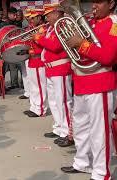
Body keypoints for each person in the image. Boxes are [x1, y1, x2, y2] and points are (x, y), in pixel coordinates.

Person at [61, 0, 117, 179]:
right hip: (82, 82)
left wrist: (81, 44)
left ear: (111, 3)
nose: (94, 6)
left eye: (99, 2)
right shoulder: (90, 22)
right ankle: (82, 162)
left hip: (100, 83)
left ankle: (101, 173)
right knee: (80, 127)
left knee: (100, 131)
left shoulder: (114, 24)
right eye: (93, 2)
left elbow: (108, 57)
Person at [33, 3, 73, 147]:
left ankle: (68, 133)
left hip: (60, 68)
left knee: (64, 102)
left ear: (57, 13)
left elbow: (56, 46)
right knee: (54, 102)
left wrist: (39, 39)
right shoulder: (50, 28)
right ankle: (59, 128)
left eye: (48, 14)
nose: (46, 17)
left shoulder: (62, 26)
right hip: (51, 69)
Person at [23, 9, 48, 117]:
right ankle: (34, 107)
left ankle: (40, 109)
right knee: (33, 86)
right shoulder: (33, 28)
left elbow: (44, 46)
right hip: (32, 60)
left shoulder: (43, 29)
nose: (30, 20)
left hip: (38, 60)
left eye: (33, 18)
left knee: (40, 87)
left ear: (39, 17)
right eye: (30, 18)